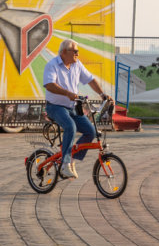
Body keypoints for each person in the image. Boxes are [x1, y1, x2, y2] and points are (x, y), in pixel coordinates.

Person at [42, 39, 111, 179]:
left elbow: (91, 80)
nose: (78, 54)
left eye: (78, 51)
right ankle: (65, 164)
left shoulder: (77, 65)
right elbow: (49, 85)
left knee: (90, 131)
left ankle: (71, 159)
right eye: (75, 51)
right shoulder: (52, 65)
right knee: (70, 126)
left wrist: (102, 94)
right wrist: (68, 93)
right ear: (64, 52)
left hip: (72, 107)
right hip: (55, 107)